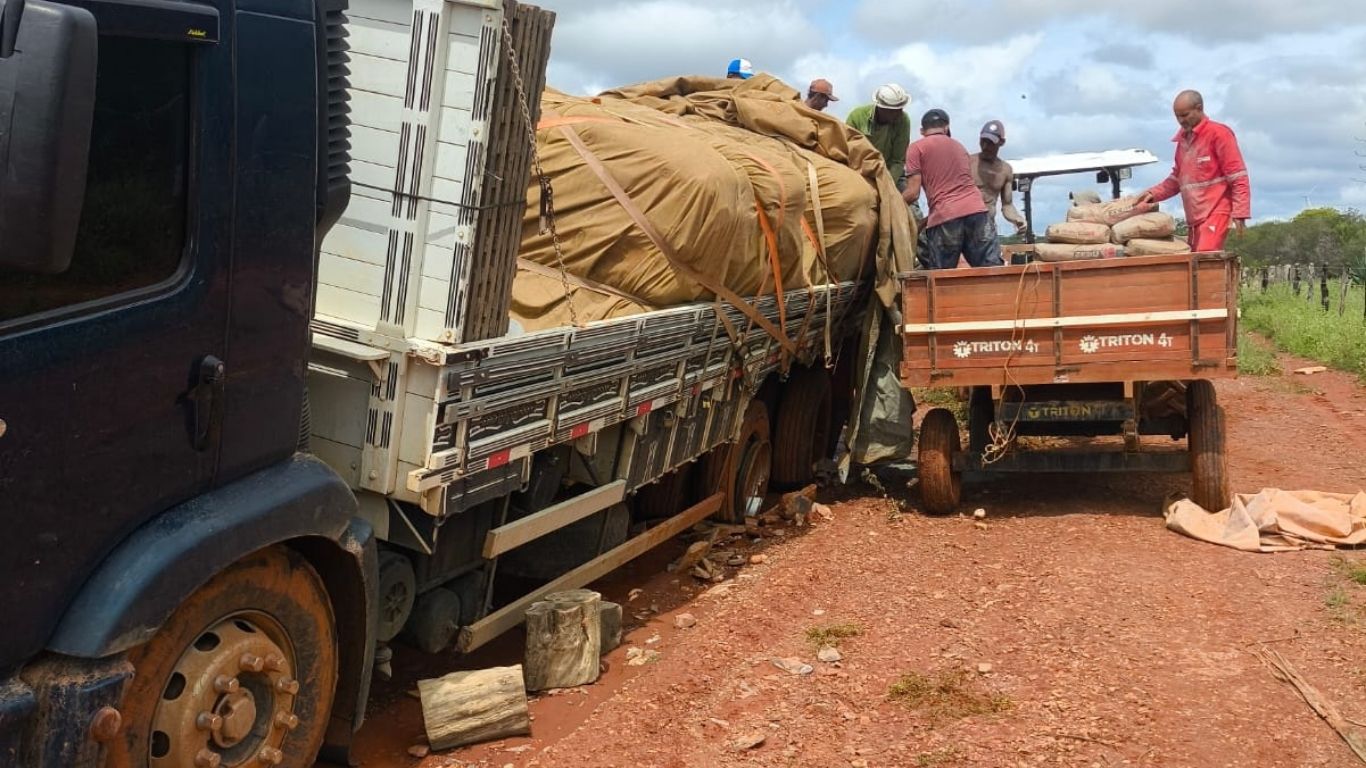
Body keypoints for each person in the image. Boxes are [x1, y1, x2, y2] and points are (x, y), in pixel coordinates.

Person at [1136, 90, 1250, 251]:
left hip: (1216, 211)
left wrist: (1240, 213)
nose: (1181, 121)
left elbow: (1238, 176)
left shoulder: (1219, 134)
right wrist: (1153, 194)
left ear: (1199, 108)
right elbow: (1177, 178)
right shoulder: (1183, 141)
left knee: (1203, 259)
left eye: (1185, 115)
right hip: (1195, 217)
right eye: (1177, 116)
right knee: (1193, 262)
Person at [903, 109, 1002, 269]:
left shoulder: (916, 148)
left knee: (941, 279)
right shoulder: (960, 147)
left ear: (922, 131)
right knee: (992, 271)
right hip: (978, 213)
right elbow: (956, 194)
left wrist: (889, 204)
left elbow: (913, 193)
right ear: (947, 128)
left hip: (946, 218)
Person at [845, 84, 912, 190]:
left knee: (909, 205)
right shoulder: (857, 116)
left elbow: (898, 161)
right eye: (893, 111)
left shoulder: (903, 120)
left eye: (900, 109)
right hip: (858, 171)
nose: (898, 114)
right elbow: (847, 151)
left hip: (891, 173)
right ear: (881, 108)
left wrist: (885, 185)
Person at [969, 120, 1026, 237]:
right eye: (983, 141)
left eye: (990, 143)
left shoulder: (1005, 170)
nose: (985, 146)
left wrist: (1017, 219)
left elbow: (1007, 205)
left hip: (987, 227)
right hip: (964, 225)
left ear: (1001, 142)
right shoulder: (967, 162)